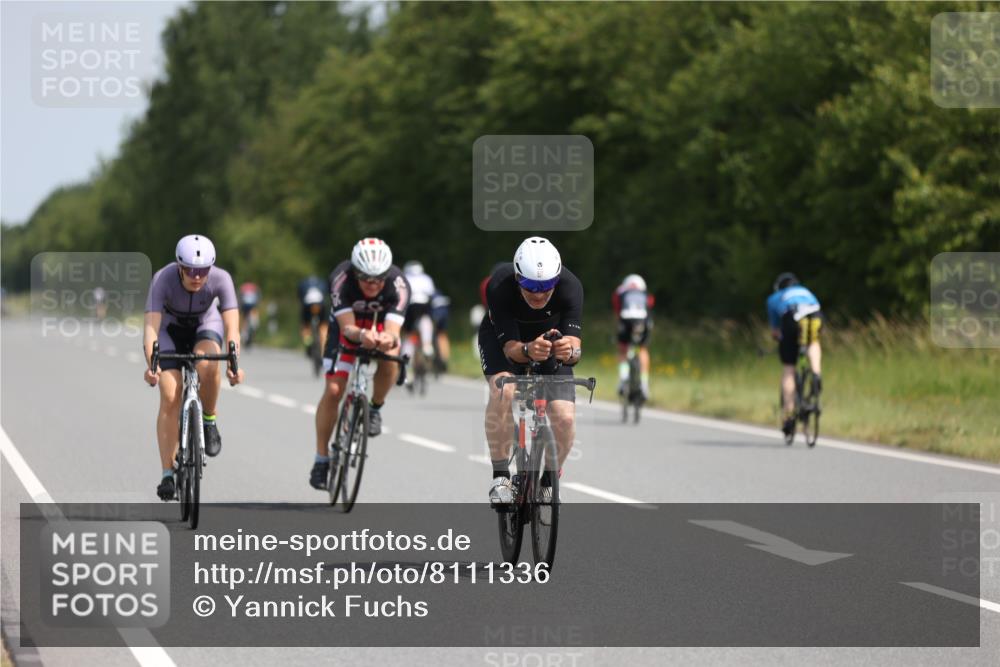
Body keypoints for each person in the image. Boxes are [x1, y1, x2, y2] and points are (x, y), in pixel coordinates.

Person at [480, 237, 583, 505]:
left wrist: (568, 351)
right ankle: (501, 476)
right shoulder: (500, 285)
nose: (538, 293)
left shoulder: (571, 286)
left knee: (565, 418)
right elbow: (511, 349)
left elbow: (575, 347)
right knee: (503, 390)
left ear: (557, 278)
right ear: (517, 277)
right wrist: (527, 351)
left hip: (548, 341)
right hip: (505, 340)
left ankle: (549, 480)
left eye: (547, 286)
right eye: (529, 285)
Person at [143, 234, 245, 500]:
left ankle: (209, 420)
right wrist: (151, 365)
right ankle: (167, 474)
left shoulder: (221, 279)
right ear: (179, 266)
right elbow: (151, 330)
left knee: (208, 364)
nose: (197, 276)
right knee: (169, 394)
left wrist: (234, 364)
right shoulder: (162, 280)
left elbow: (233, 327)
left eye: (202, 271)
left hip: (205, 325)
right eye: (190, 270)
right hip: (169, 331)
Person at [309, 238, 409, 490]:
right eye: (365, 278)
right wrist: (363, 336)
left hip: (378, 327)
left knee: (392, 353)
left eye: (378, 279)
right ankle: (321, 459)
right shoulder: (341, 279)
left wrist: (387, 338)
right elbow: (348, 328)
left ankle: (375, 408)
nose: (373, 284)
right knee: (333, 391)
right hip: (347, 331)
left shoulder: (399, 284)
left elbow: (393, 330)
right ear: (355, 272)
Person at [767, 272, 822, 437]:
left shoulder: (775, 297)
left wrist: (780, 340)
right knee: (813, 342)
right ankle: (816, 373)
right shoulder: (806, 291)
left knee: (789, 369)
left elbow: (776, 331)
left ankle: (789, 416)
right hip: (815, 314)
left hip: (791, 317)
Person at [613, 274, 654, 399]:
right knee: (642, 349)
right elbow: (649, 308)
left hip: (626, 320)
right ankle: (644, 384)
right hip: (642, 321)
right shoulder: (646, 293)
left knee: (622, 349)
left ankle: (623, 380)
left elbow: (617, 311)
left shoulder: (620, 292)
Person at [400, 261, 437, 367]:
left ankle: (406, 359)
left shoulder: (404, 278)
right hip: (424, 305)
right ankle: (427, 345)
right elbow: (431, 294)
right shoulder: (426, 278)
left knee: (409, 334)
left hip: (410, 306)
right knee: (426, 320)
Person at [298, 275, 329, 355]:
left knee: (305, 325)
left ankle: (308, 342)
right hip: (320, 305)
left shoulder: (303, 283)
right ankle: (323, 349)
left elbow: (300, 297)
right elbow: (325, 294)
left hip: (307, 305)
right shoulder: (322, 282)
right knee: (323, 325)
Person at [430, 290, 451, 372]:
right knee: (442, 335)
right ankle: (444, 359)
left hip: (433, 313)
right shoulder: (438, 292)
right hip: (444, 312)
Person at [238, 281, 261, 346]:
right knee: (254, 322)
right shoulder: (255, 287)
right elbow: (258, 296)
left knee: (244, 319)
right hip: (253, 307)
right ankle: (252, 334)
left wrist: (240, 307)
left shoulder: (243, 287)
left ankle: (243, 333)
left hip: (245, 306)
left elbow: (240, 297)